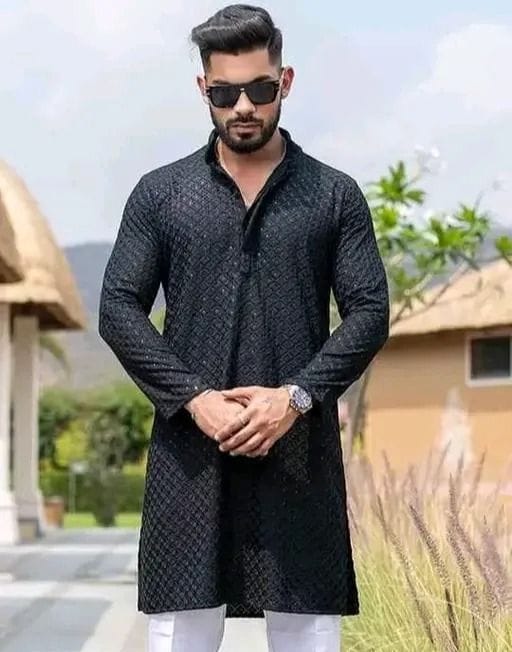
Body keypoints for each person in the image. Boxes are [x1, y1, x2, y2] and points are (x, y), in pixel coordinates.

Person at [98, 4, 390, 651]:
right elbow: (117, 306)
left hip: (298, 458)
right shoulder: (161, 194)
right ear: (203, 89)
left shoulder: (333, 195)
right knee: (180, 631)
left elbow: (370, 310)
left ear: (285, 82)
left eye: (259, 89)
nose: (244, 108)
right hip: (188, 460)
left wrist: (297, 397)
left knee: (307, 631)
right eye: (225, 94)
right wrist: (194, 399)